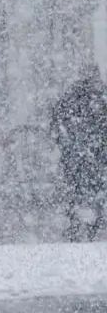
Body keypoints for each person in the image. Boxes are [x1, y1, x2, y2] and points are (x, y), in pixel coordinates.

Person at [50, 64, 107, 242]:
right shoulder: (99, 96)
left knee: (79, 190)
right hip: (90, 154)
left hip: (82, 154)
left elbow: (57, 122)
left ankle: (79, 224)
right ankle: (89, 224)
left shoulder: (73, 96)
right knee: (94, 190)